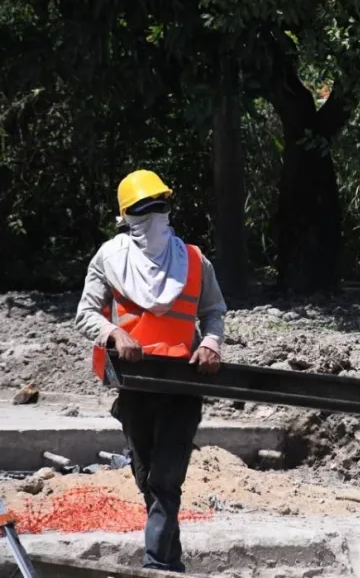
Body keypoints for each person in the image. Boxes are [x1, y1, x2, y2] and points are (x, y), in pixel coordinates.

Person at [74, 169, 227, 573]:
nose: (154, 217)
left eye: (159, 207)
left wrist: (211, 343)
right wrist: (113, 333)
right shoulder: (110, 258)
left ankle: (156, 565)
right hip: (136, 387)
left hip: (182, 386)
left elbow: (213, 311)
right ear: (126, 217)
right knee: (148, 481)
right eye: (143, 210)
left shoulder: (193, 260)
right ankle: (172, 564)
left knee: (165, 479)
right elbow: (85, 313)